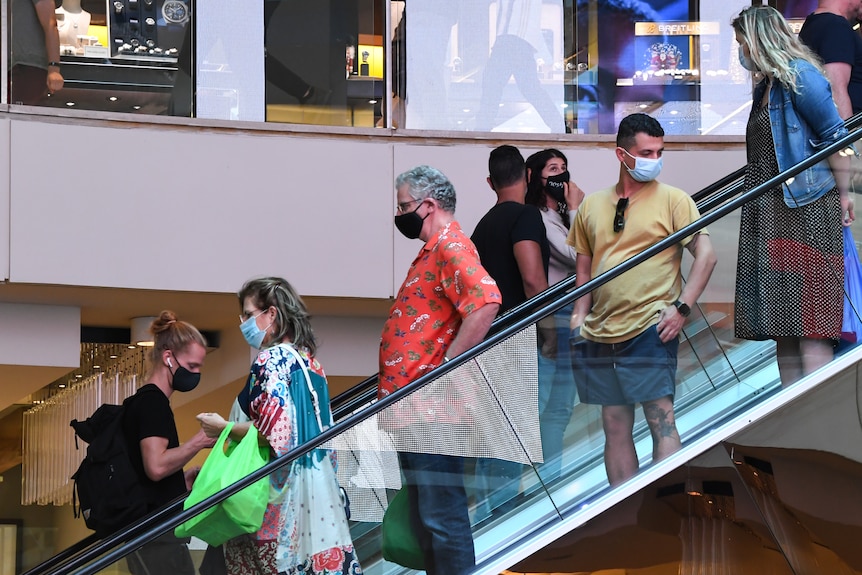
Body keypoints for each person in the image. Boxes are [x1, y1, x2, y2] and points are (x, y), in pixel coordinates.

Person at [568, 113, 716, 487]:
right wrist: (577, 320)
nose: (655, 158)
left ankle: (666, 514)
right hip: (599, 333)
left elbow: (707, 255)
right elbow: (583, 272)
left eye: (659, 151)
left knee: (661, 419)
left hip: (650, 328)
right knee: (614, 425)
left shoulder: (674, 200)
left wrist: (682, 308)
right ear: (622, 154)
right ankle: (627, 519)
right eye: (646, 151)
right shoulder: (591, 206)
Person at [380, 165, 501, 575]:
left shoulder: (451, 245)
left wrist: (446, 366)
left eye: (404, 206)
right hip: (416, 411)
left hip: (433, 412)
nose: (400, 214)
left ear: (427, 205)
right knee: (429, 521)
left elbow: (485, 301)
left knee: (441, 519)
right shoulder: (435, 250)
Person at [198, 277, 361, 575]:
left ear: (271, 314)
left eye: (248, 315)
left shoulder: (269, 361)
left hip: (277, 505)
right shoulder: (311, 364)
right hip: (316, 500)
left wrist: (222, 427)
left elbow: (274, 434)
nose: (243, 323)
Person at [732, 6, 854, 387]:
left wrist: (845, 193)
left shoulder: (801, 77)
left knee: (811, 320)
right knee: (782, 322)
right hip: (768, 212)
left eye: (741, 43)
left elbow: (837, 137)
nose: (740, 51)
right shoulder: (766, 85)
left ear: (758, 40)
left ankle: (813, 418)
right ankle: (788, 414)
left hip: (806, 210)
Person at [471, 144, 550, 513]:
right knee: (513, 429)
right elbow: (533, 280)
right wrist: (548, 332)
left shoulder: (480, 228)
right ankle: (504, 514)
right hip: (516, 339)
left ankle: (488, 514)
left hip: (484, 342)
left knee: (492, 431)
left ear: (490, 182)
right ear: (529, 175)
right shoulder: (526, 217)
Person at [122, 311, 217, 575]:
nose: (196, 374)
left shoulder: (145, 401)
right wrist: (200, 440)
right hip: (156, 538)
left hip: (152, 536)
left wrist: (181, 480)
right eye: (192, 366)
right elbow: (155, 467)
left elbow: (151, 471)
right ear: (168, 357)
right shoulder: (153, 403)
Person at [524, 148, 585, 481]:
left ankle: (551, 484)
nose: (560, 175)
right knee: (541, 406)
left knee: (561, 410)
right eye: (552, 168)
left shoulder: (562, 217)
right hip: (552, 318)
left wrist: (574, 211)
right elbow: (580, 257)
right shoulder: (537, 217)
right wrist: (576, 208)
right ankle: (533, 487)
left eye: (564, 168)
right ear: (535, 176)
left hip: (571, 317)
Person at [799, 0, 862, 119]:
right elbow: (836, 91)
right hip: (848, 130)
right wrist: (850, 136)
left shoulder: (813, 24)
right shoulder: (835, 26)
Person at [9, 0, 64, 105]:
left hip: (28, 66)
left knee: (21, 117)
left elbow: (50, 24)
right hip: (10, 66)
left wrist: (54, 68)